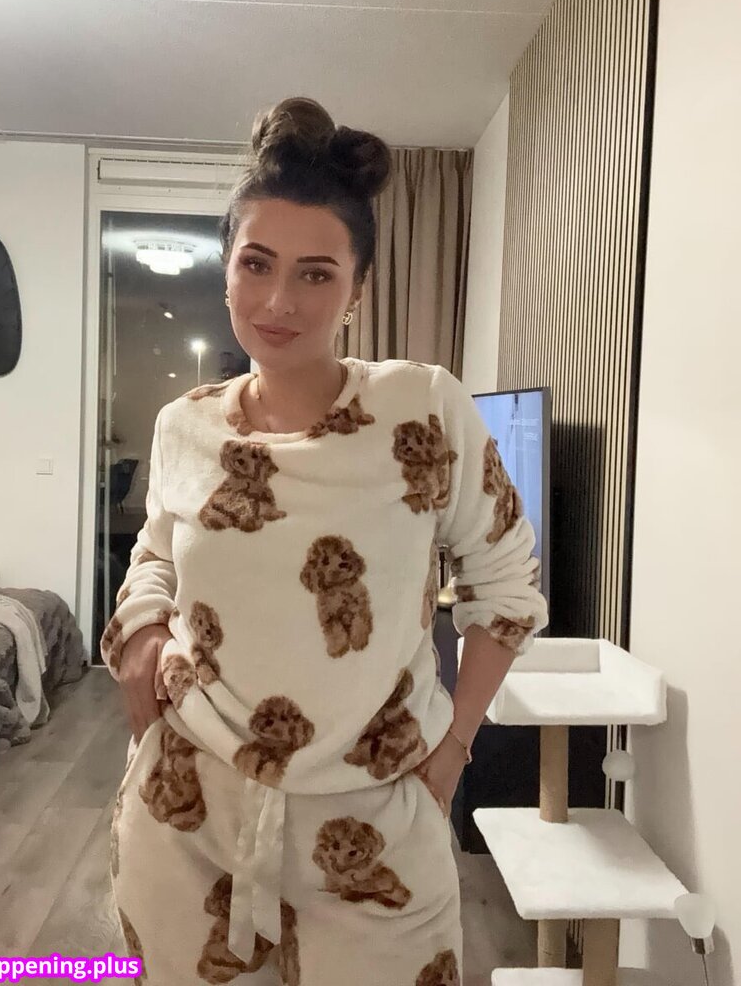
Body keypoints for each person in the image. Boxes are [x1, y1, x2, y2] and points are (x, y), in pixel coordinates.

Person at [101, 97, 548, 986]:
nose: (279, 301)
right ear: (226, 270)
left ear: (358, 290)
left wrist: (453, 751)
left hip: (374, 823)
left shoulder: (422, 407)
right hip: (188, 811)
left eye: (315, 273)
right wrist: (143, 637)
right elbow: (155, 551)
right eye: (256, 264)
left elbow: (506, 587)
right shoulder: (184, 423)